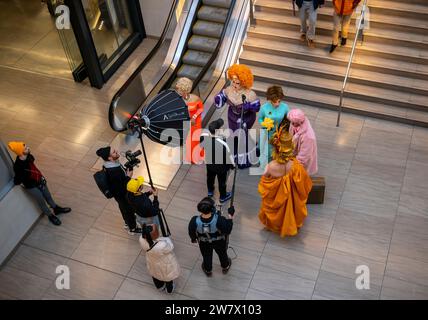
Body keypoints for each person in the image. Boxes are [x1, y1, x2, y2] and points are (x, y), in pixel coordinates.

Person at [258, 126, 312, 237]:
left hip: (275, 197)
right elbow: (305, 184)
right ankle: (290, 222)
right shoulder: (296, 166)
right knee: (290, 209)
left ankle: (274, 225)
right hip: (291, 196)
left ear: (275, 148)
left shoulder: (270, 166)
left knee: (275, 210)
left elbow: (264, 181)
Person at [8, 141, 71, 226]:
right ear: (20, 152)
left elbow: (32, 161)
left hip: (40, 180)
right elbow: (17, 181)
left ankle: (56, 209)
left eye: (26, 146)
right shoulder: (18, 166)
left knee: (48, 196)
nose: (28, 148)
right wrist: (22, 179)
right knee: (41, 201)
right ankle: (50, 215)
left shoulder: (29, 156)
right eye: (25, 148)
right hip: (32, 187)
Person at [215, 64, 261, 169]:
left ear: (244, 82)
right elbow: (220, 99)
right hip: (232, 116)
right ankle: (234, 154)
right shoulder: (228, 89)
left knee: (242, 136)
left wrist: (249, 106)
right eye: (233, 82)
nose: (235, 85)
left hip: (246, 118)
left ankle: (243, 159)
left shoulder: (250, 94)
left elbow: (257, 107)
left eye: (238, 83)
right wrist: (219, 98)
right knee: (233, 135)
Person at [96, 146, 141, 235]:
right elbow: (121, 186)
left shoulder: (110, 164)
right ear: (109, 158)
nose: (116, 151)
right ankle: (132, 228)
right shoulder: (114, 171)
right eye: (114, 152)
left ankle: (127, 222)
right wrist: (128, 176)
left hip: (118, 193)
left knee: (123, 208)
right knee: (128, 210)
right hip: (121, 194)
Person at [188, 197, 233, 276]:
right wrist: (230, 216)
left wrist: (193, 239)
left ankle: (208, 270)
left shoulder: (194, 220)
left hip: (204, 242)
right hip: (219, 242)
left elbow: (191, 231)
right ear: (212, 209)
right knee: (222, 254)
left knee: (206, 256)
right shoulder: (219, 219)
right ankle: (225, 266)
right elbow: (227, 230)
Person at [199, 119, 234, 203]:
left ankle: (210, 191)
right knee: (222, 182)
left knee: (210, 178)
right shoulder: (224, 142)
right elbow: (229, 156)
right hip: (221, 167)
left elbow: (202, 146)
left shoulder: (203, 136)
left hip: (210, 163)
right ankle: (222, 197)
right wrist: (232, 166)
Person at [139, 224, 180, 294]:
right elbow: (170, 247)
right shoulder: (162, 245)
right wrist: (165, 238)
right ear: (155, 235)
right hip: (164, 263)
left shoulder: (141, 239)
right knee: (167, 277)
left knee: (155, 274)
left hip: (152, 261)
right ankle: (169, 290)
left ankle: (160, 287)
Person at [258, 85, 289, 171]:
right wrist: (264, 124)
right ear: (270, 99)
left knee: (278, 151)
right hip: (267, 132)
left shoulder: (285, 107)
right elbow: (260, 119)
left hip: (279, 133)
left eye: (279, 101)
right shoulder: (264, 108)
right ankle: (266, 166)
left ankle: (276, 166)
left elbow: (288, 120)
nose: (277, 104)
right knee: (266, 151)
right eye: (274, 101)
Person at [175, 77, 204, 164]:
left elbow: (201, 109)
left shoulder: (195, 98)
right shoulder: (178, 100)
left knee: (195, 140)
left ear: (187, 91)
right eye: (179, 91)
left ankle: (196, 157)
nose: (180, 94)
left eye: (182, 92)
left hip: (195, 123)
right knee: (188, 141)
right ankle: (190, 157)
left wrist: (194, 117)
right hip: (185, 122)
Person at [287, 109, 318, 176]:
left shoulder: (308, 137)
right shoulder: (295, 122)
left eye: (293, 123)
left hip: (302, 161)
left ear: (300, 122)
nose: (291, 124)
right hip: (294, 156)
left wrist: (292, 166)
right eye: (291, 122)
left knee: (298, 177)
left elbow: (304, 157)